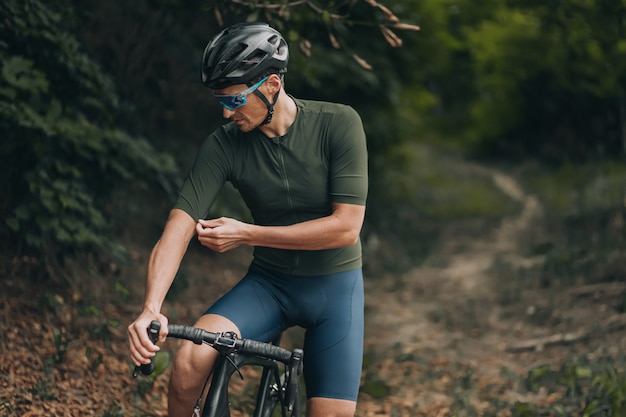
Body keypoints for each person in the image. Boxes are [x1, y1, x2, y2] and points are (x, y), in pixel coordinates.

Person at [128, 22, 368, 417]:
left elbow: (345, 229)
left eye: (235, 100)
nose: (226, 111)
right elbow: (180, 224)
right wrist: (151, 306)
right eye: (221, 101)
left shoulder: (338, 124)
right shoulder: (224, 144)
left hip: (335, 292)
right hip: (269, 286)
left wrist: (247, 233)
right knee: (189, 364)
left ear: (272, 85)